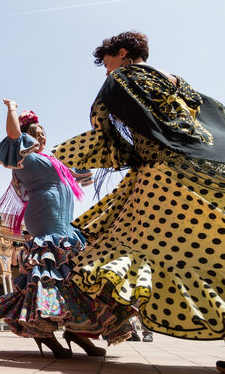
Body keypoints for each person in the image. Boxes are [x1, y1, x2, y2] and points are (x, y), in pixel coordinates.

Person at [53, 32, 224, 348]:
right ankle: (88, 328)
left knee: (123, 254)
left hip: (161, 183)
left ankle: (85, 325)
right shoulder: (181, 87)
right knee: (203, 257)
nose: (106, 71)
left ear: (122, 54)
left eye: (107, 63)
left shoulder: (123, 79)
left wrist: (63, 160)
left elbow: (105, 135)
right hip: (207, 177)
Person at [0, 102, 135, 358]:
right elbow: (12, 135)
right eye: (37, 132)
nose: (43, 136)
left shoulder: (55, 160)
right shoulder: (25, 157)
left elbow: (87, 168)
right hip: (45, 220)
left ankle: (78, 331)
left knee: (75, 275)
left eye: (44, 133)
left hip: (65, 223)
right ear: (27, 135)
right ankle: (45, 332)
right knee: (51, 275)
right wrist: (12, 109)